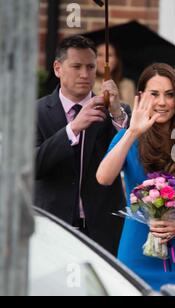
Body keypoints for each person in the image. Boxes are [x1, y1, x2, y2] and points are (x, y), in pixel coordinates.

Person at [96, 63, 175, 291]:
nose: (162, 102)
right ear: (141, 98)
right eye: (154, 94)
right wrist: (132, 131)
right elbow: (103, 177)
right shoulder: (128, 138)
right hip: (133, 256)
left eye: (169, 95)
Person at [35, 35, 131, 255]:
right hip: (52, 227)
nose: (85, 74)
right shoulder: (37, 111)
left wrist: (116, 113)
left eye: (90, 67)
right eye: (76, 66)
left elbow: (130, 156)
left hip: (102, 228)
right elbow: (33, 165)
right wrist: (72, 129)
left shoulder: (115, 111)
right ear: (58, 68)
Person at [93, 43, 136, 107]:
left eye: (109, 55)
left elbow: (131, 112)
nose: (104, 60)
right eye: (100, 55)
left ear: (116, 60)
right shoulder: (87, 83)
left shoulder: (127, 84)